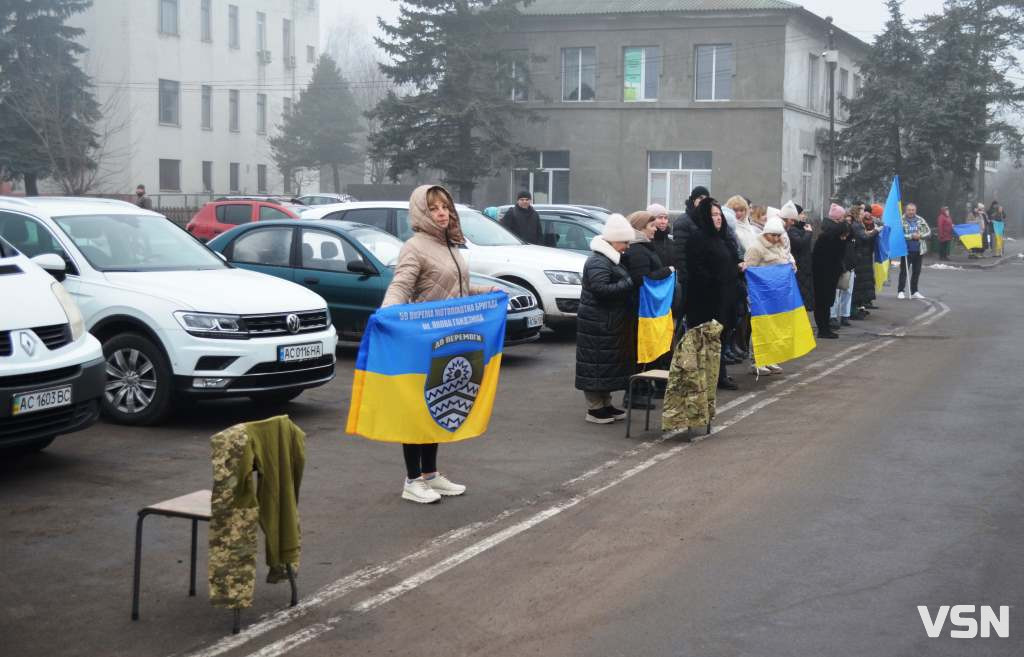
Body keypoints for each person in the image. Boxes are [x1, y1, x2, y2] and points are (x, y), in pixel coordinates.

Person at [382, 184, 495, 504]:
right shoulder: (415, 247)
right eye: (433, 208)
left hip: (450, 342)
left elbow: (454, 288)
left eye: (445, 206)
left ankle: (430, 475)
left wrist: (486, 293)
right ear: (421, 212)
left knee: (438, 407)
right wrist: (387, 316)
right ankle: (412, 480)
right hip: (422, 342)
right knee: (416, 412)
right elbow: (401, 286)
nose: (442, 212)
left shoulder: (449, 245)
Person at [575, 214, 636, 424]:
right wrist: (629, 282)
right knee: (595, 364)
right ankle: (594, 408)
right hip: (598, 323)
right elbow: (602, 290)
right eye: (625, 242)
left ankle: (605, 403)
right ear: (613, 240)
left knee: (606, 365)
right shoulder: (597, 261)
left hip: (607, 321)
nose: (627, 246)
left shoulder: (610, 260)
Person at [685, 197, 742, 390]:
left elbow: (729, 263)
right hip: (707, 299)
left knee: (722, 338)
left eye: (719, 214)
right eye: (713, 215)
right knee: (706, 340)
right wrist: (717, 280)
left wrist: (737, 268)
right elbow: (697, 268)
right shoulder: (698, 238)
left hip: (726, 297)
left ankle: (720, 375)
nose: (718, 218)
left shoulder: (723, 238)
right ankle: (704, 378)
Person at [624, 210, 675, 407]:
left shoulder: (644, 246)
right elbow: (643, 278)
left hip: (647, 310)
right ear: (640, 227)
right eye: (651, 226)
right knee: (640, 351)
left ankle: (643, 389)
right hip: (641, 310)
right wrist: (668, 271)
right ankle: (634, 393)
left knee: (647, 349)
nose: (656, 229)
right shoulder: (638, 250)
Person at [742, 216, 794, 376]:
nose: (776, 238)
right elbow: (748, 271)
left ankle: (770, 357)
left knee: (774, 327)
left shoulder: (779, 247)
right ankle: (756, 360)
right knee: (760, 327)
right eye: (773, 235)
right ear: (766, 234)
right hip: (761, 295)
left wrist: (792, 267)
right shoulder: (755, 248)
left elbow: (785, 262)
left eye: (779, 235)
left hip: (777, 295)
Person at [812, 203, 851, 339]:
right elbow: (834, 253)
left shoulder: (830, 233)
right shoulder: (828, 235)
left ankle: (825, 327)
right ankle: (823, 329)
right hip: (823, 273)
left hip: (828, 272)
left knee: (827, 301)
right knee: (823, 301)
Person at [850, 203, 880, 319]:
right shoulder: (856, 225)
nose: (864, 214)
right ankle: (853, 310)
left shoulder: (859, 224)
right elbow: (864, 237)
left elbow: (864, 235)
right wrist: (876, 231)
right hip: (860, 257)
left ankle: (859, 308)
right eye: (862, 212)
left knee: (861, 285)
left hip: (863, 256)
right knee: (857, 286)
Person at [898, 202, 931, 300]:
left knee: (917, 271)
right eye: (909, 210)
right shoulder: (901, 220)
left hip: (919, 250)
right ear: (906, 210)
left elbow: (928, 232)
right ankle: (900, 291)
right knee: (904, 271)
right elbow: (898, 234)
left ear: (915, 210)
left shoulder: (920, 220)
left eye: (913, 210)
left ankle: (914, 291)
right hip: (906, 250)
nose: (911, 212)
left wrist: (920, 236)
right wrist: (911, 236)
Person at [785, 202, 814, 311]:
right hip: (799, 268)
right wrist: (808, 233)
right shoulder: (792, 230)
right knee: (800, 300)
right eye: (801, 213)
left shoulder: (801, 229)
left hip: (805, 268)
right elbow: (800, 244)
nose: (804, 215)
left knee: (804, 299)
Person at [646, 203, 673, 269]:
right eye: (660, 217)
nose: (663, 221)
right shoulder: (645, 242)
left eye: (666, 218)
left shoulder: (671, 242)